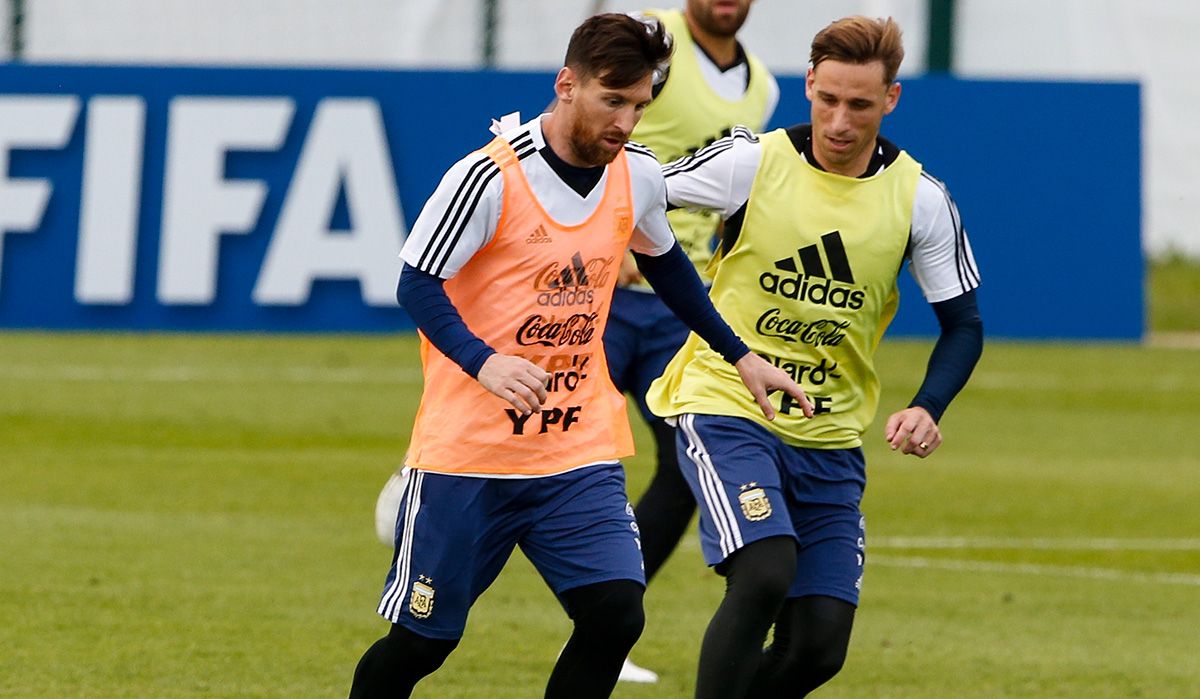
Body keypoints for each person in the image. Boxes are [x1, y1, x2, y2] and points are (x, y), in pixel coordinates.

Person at [348, 14, 812, 699]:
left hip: (574, 450)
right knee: (422, 643)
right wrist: (486, 363)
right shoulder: (488, 178)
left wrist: (739, 353)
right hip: (468, 454)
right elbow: (417, 282)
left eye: (640, 104)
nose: (628, 120)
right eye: (613, 100)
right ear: (568, 84)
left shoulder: (638, 177)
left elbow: (669, 265)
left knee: (615, 611)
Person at [646, 15, 984, 698]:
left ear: (890, 99)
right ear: (808, 85)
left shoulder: (920, 200)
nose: (838, 120)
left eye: (859, 104)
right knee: (766, 568)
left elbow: (963, 325)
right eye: (826, 99)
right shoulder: (751, 162)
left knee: (818, 646)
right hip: (725, 402)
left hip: (829, 437)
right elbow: (634, 190)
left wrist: (927, 404)